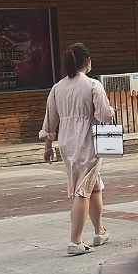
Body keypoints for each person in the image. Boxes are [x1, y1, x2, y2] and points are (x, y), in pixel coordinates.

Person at [41, 43, 116, 256]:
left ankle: (100, 231)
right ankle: (75, 241)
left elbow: (50, 120)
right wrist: (111, 110)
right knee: (82, 189)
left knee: (94, 185)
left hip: (67, 140)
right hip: (87, 140)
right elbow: (104, 115)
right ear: (87, 62)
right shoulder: (92, 85)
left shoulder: (57, 88)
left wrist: (48, 146)